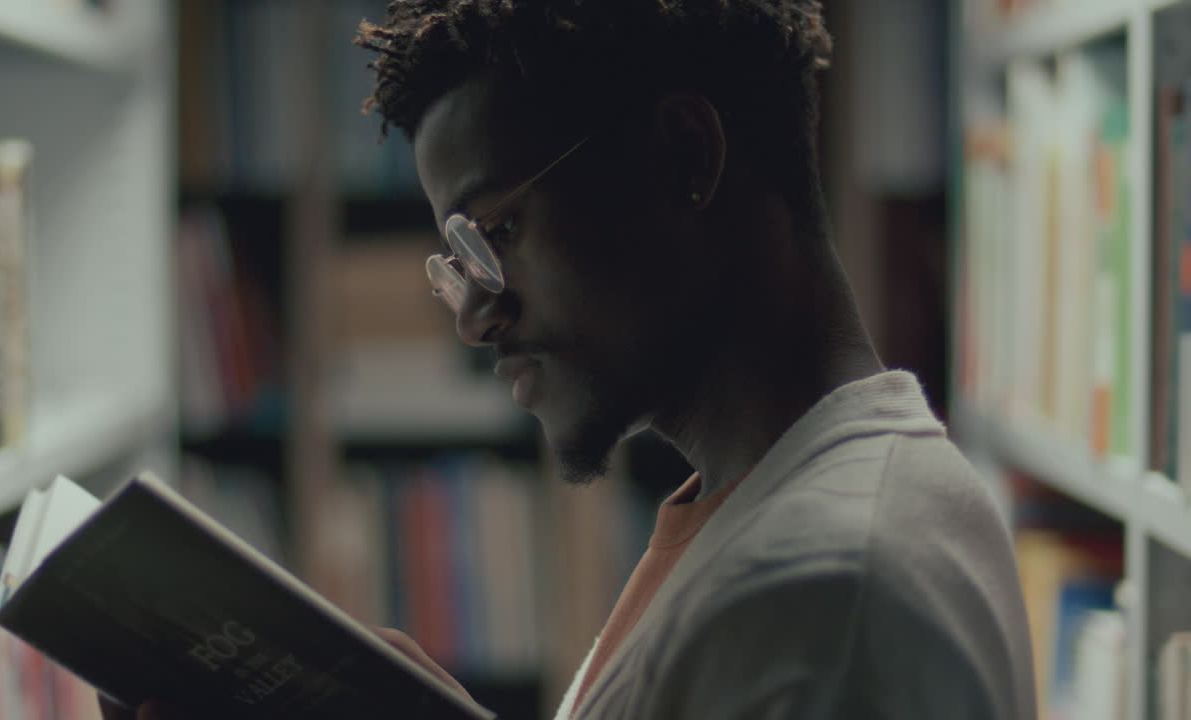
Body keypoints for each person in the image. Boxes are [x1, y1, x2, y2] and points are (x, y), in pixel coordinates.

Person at [105, 1, 1036, 718]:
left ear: (685, 155)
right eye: (455, 261)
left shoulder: (818, 603)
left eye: (499, 229)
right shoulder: (764, 505)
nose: (474, 316)